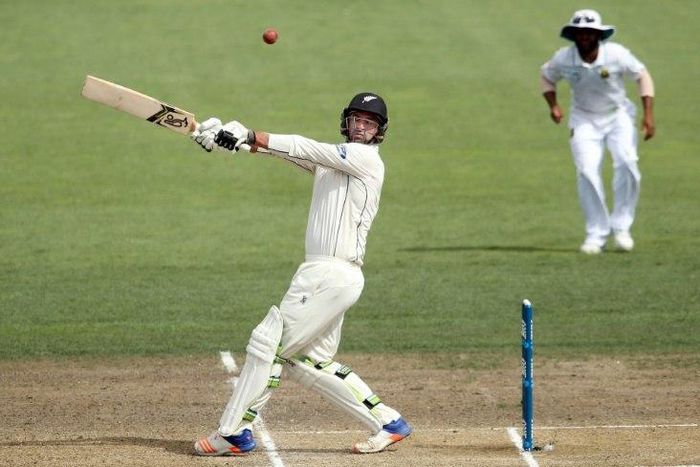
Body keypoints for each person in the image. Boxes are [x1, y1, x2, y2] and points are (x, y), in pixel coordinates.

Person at [188, 92, 412, 456]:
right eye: (356, 120)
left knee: (268, 345)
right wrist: (230, 141)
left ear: (378, 132)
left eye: (368, 123)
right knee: (308, 362)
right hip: (331, 276)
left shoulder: (364, 158)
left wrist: (250, 133)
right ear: (347, 121)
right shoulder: (334, 162)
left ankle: (233, 433)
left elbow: (304, 145)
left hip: (329, 274)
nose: (360, 127)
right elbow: (292, 153)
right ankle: (388, 422)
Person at [540, 9, 656, 254]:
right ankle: (596, 234)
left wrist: (648, 115)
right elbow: (546, 77)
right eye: (580, 32)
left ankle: (622, 228)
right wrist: (554, 106)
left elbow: (642, 75)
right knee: (587, 171)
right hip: (583, 119)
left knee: (627, 163)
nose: (584, 37)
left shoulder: (616, 54)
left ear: (598, 34)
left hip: (618, 116)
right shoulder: (563, 58)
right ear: (573, 34)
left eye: (589, 32)